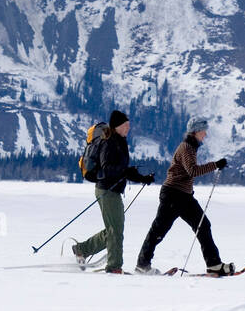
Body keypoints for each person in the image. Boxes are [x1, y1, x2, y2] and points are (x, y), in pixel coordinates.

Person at [136, 118, 233, 275]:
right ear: (196, 131)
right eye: (203, 131)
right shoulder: (186, 148)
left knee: (203, 225)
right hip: (173, 195)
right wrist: (215, 164)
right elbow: (193, 171)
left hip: (184, 197)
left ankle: (214, 264)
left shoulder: (191, 147)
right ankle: (142, 264)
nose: (206, 134)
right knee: (158, 230)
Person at [73, 110, 154, 273]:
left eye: (129, 125)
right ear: (117, 126)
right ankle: (114, 266)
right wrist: (125, 171)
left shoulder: (120, 141)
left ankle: (82, 249)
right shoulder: (109, 142)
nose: (128, 128)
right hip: (106, 190)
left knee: (114, 228)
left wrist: (142, 178)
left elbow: (122, 170)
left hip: (112, 191)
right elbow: (108, 168)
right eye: (125, 125)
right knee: (115, 230)